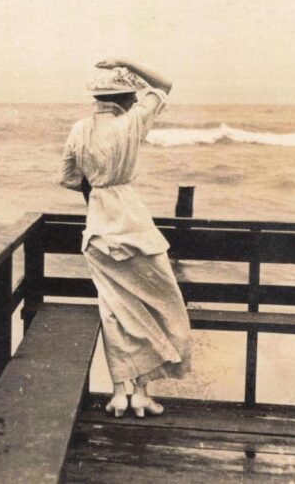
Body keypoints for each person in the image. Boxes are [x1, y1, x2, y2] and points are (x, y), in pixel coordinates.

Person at [60, 57, 191, 418]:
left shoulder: (78, 129)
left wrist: (98, 188)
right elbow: (164, 85)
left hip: (99, 228)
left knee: (115, 310)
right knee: (158, 304)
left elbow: (70, 178)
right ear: (125, 98)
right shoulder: (131, 121)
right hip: (132, 222)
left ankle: (120, 392)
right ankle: (142, 392)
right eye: (132, 96)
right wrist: (125, 61)